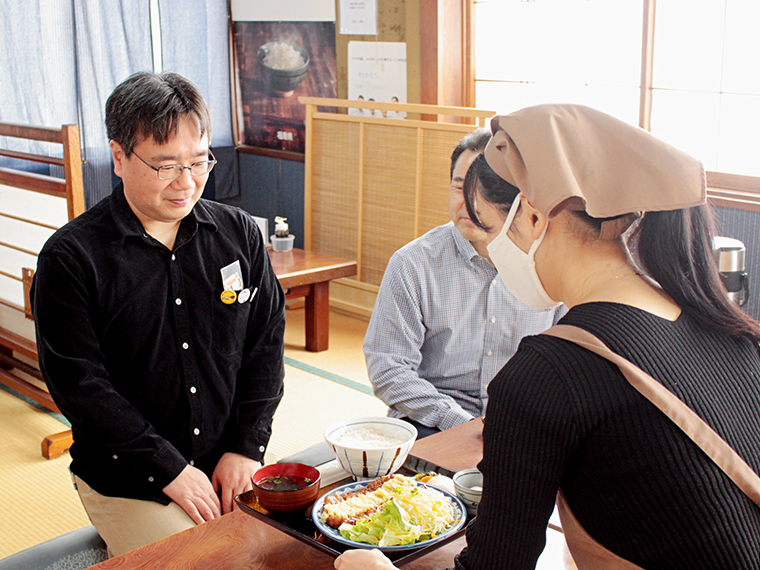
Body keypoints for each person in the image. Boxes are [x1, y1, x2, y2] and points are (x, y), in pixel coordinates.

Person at [336, 104, 760, 570]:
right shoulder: (721, 326)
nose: (492, 249)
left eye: (493, 229)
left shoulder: (546, 374)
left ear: (534, 219)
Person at [32, 71, 286, 557]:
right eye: (167, 166)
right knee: (197, 559)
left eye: (198, 162)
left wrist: (246, 448)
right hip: (129, 471)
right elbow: (80, 385)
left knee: (282, 550)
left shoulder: (238, 235)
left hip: (224, 456)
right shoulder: (72, 257)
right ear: (120, 157)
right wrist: (168, 468)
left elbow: (265, 343)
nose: (186, 183)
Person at [363, 128, 565, 438]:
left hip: (522, 419)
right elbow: (388, 368)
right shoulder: (412, 263)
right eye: (459, 187)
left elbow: (566, 364)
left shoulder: (547, 263)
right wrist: (460, 421)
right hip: (432, 418)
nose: (470, 203)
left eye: (484, 190)